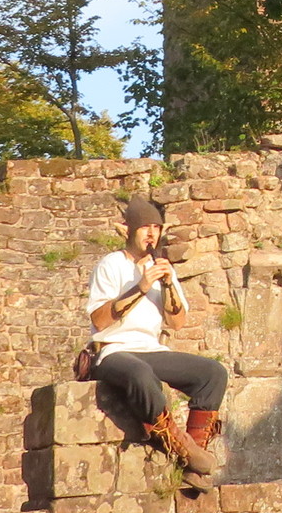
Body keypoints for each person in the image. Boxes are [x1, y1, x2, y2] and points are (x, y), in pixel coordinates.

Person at [87, 192, 228, 477]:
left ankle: (193, 466)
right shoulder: (111, 264)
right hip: (112, 351)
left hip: (150, 350)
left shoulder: (163, 268)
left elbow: (177, 322)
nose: (151, 234)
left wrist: (167, 284)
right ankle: (184, 450)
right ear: (128, 231)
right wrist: (141, 287)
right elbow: (100, 321)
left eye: (156, 228)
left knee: (213, 373)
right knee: (141, 374)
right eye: (144, 227)